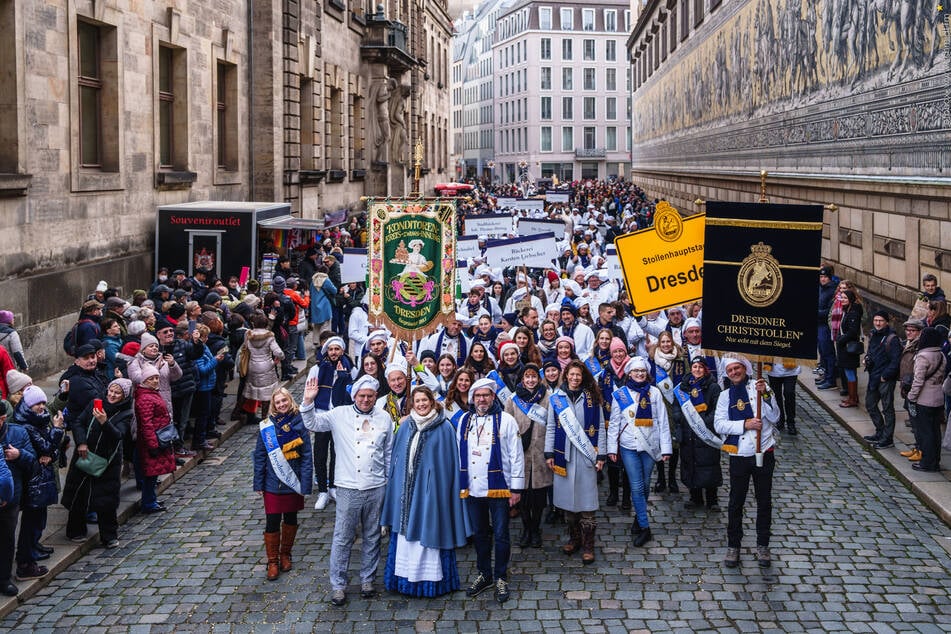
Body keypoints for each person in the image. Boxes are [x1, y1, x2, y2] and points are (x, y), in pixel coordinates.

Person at [381, 386, 470, 598]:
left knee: (430, 533)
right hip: (406, 495)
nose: (421, 404)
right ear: (413, 403)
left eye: (425, 400)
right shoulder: (405, 427)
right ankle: (403, 580)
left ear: (432, 402)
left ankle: (432, 582)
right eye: (417, 401)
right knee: (405, 539)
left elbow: (448, 465)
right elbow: (397, 461)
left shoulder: (444, 427)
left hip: (432, 495)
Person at [459, 378, 524, 604]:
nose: (482, 399)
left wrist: (516, 488)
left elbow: (516, 456)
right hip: (474, 488)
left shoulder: (506, 420)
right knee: (479, 534)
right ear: (472, 398)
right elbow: (461, 454)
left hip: (500, 488)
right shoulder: (465, 421)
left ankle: (500, 576)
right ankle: (484, 574)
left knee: (501, 534)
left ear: (493, 397)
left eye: (486, 395)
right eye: (478, 396)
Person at [714, 355, 780, 568]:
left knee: (764, 501)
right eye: (730, 370)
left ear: (745, 368)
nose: (734, 372)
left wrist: (767, 396)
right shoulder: (725, 396)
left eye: (737, 368)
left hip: (764, 451)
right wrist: (745, 424)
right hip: (740, 454)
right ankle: (734, 545)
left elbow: (775, 417)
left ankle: (763, 544)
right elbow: (720, 425)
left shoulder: (761, 386)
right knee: (736, 502)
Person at [607, 356, 671, 547]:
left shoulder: (655, 393)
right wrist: (612, 447)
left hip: (650, 446)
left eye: (642, 371)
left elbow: (663, 421)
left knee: (644, 485)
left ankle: (638, 516)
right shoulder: (620, 394)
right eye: (636, 371)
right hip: (629, 446)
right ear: (629, 373)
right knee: (636, 486)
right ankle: (645, 527)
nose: (640, 374)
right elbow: (615, 424)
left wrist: (666, 447)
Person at [61, 379, 133, 548]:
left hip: (107, 462)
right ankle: (75, 531)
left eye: (117, 393)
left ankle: (108, 536)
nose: (112, 395)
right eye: (111, 391)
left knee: (105, 500)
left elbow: (118, 435)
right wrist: (81, 442)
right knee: (78, 494)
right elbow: (78, 423)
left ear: (124, 396)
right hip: (85, 455)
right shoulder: (95, 403)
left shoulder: (126, 413)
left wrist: (104, 422)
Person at [545, 360, 604, 563]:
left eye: (578, 375)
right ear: (566, 375)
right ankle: (574, 538)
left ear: (583, 376)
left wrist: (601, 455)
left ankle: (588, 545)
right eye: (572, 374)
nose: (575, 378)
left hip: (586, 456)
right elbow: (551, 427)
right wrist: (549, 453)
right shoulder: (557, 398)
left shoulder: (592, 397)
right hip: (564, 457)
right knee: (568, 505)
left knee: (587, 504)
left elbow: (601, 427)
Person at [252, 387, 312, 580]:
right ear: (274, 405)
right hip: (272, 482)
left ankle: (286, 553)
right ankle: (272, 560)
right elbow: (260, 456)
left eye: (284, 401)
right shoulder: (267, 426)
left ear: (289, 400)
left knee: (291, 518)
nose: (282, 405)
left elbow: (306, 456)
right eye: (278, 402)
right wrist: (258, 483)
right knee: (272, 521)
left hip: (292, 482)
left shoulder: (299, 422)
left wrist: (305, 483)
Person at [504, 364, 552, 548]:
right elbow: (506, 426)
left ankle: (535, 528)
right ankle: (526, 529)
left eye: (533, 376)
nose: (530, 380)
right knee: (522, 496)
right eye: (527, 377)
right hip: (520, 454)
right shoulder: (513, 399)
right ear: (522, 379)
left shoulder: (548, 397)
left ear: (538, 378)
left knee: (539, 497)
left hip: (540, 452)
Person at [672, 357, 722, 511]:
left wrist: (704, 421)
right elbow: (676, 407)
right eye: (695, 366)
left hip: (706, 431)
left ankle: (712, 499)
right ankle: (695, 497)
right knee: (690, 463)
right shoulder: (683, 387)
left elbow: (717, 409)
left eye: (701, 367)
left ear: (705, 369)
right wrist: (681, 419)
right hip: (688, 432)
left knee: (709, 464)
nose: (697, 370)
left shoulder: (713, 387)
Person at [0, 403, 36, 595]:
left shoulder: (17, 433)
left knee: (6, 540)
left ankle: (4, 578)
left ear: (2, 419)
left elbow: (33, 463)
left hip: (9, 499)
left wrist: (19, 455)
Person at [134, 365, 176, 514]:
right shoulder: (145, 398)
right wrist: (153, 445)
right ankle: (148, 502)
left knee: (153, 474)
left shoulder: (151, 393)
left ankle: (151, 499)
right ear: (144, 380)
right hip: (153, 441)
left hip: (159, 438)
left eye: (156, 378)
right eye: (151, 378)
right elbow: (146, 424)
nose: (155, 381)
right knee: (150, 475)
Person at [906, 327, 946, 472]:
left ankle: (927, 462)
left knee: (926, 432)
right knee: (935, 432)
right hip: (938, 397)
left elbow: (918, 381)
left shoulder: (923, 356)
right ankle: (935, 460)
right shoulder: (941, 355)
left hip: (924, 399)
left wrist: (911, 397)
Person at [863, 311, 902, 449]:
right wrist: (866, 359)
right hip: (873, 376)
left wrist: (885, 375)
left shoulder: (892, 339)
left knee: (887, 409)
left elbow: (896, 361)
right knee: (870, 404)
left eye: (881, 321)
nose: (878, 323)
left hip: (885, 378)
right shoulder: (873, 334)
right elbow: (871, 351)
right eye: (876, 320)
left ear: (886, 322)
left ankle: (887, 438)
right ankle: (880, 431)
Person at [240, 312, 285, 426]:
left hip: (252, 365)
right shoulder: (269, 336)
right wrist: (277, 360)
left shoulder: (248, 334)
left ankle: (236, 412)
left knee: (249, 389)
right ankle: (264, 418)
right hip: (266, 366)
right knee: (266, 393)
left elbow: (245, 348)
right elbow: (278, 352)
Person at [899, 319, 925, 461]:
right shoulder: (908, 343)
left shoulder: (918, 346)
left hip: (914, 389)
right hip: (906, 386)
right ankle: (916, 447)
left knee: (917, 422)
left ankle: (920, 450)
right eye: (907, 330)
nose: (909, 332)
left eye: (912, 330)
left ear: (919, 332)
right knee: (913, 421)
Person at [834, 289, 864, 408]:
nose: (843, 300)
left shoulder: (853, 313)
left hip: (849, 348)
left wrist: (840, 339)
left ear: (850, 299)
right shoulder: (847, 310)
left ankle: (852, 399)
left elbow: (852, 332)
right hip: (845, 347)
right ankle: (852, 397)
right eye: (842, 298)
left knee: (850, 373)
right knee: (848, 372)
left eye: (845, 298)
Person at [816, 266, 838, 389]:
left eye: (825, 277)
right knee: (823, 352)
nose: (823, 279)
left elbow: (830, 310)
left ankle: (831, 379)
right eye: (821, 277)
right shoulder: (821, 288)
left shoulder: (832, 290)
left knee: (828, 353)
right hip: (818, 324)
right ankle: (826, 376)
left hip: (825, 325)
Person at [766, 359, 801, 435]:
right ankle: (780, 419)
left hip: (791, 369)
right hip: (774, 369)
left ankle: (791, 422)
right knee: (776, 396)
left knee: (789, 394)